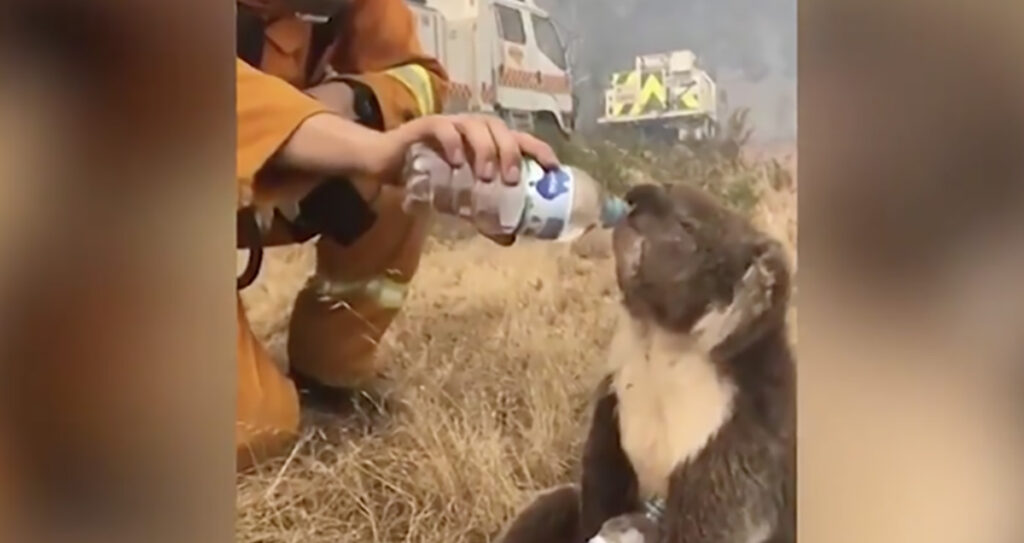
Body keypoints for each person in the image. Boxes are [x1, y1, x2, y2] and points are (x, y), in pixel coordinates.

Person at [235, 0, 558, 469]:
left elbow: (420, 77)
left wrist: (356, 101)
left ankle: (329, 376)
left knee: (408, 183)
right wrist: (369, 148)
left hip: (265, 184)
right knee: (249, 427)